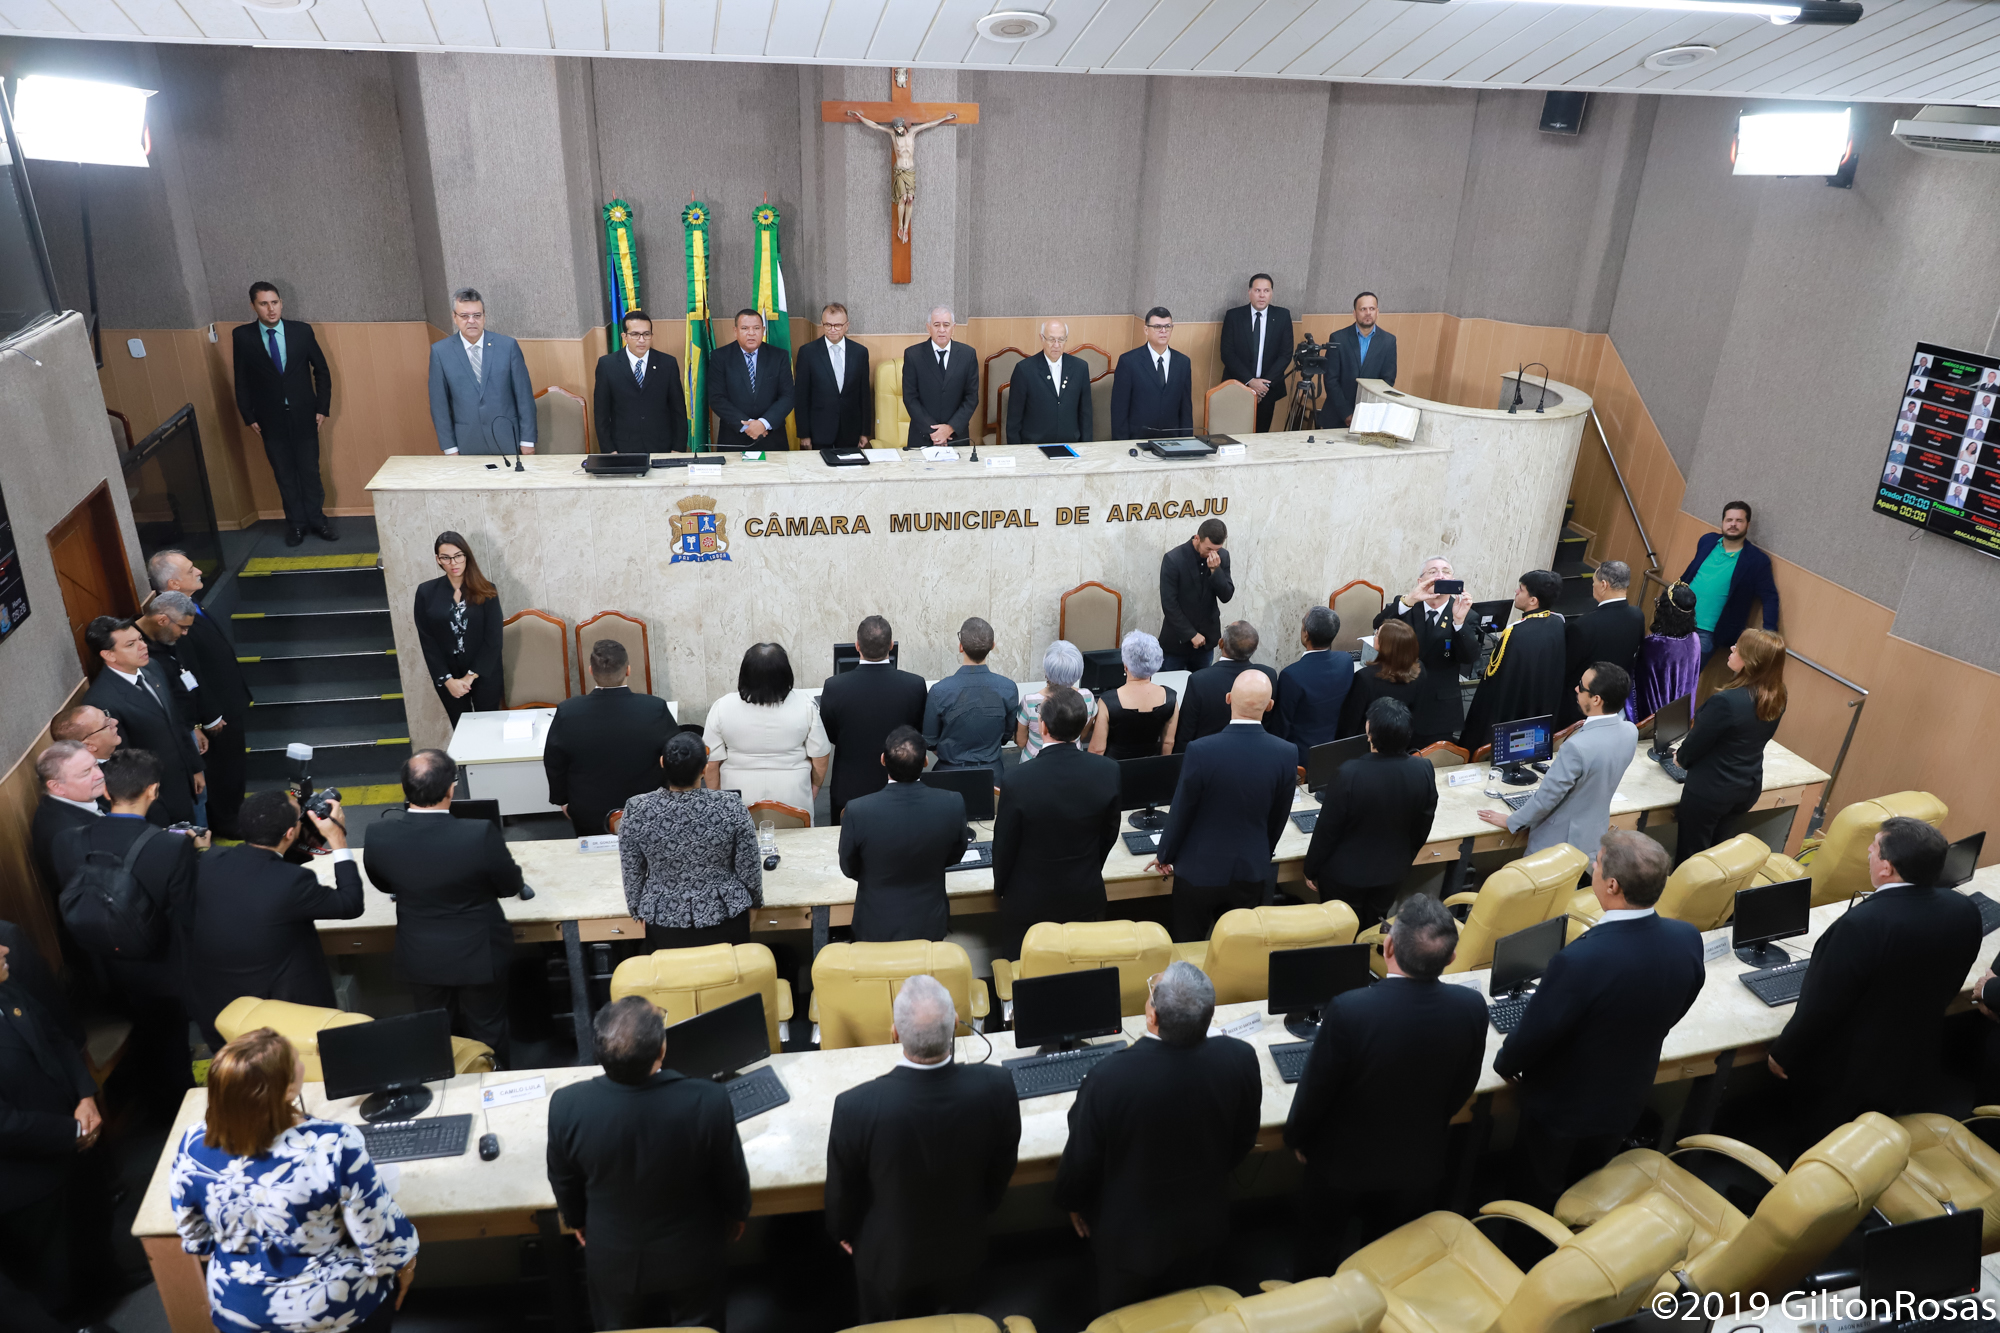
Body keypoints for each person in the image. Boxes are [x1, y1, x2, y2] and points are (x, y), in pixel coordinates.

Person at [1494, 830, 1704, 1209]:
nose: (1593, 865)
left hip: (1562, 1110)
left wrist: (1506, 1062)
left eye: (1598, 862)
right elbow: (1680, 1004)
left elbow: (1537, 1034)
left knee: (1536, 1197)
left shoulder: (1579, 960)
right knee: (1589, 1194)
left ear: (1611, 884)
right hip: (1625, 1099)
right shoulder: (1686, 938)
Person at [1284, 893, 1484, 1273]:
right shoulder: (1470, 1007)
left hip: (1340, 1167)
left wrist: (1297, 1138)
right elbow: (1463, 1086)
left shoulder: (1349, 1009)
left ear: (1387, 945)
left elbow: (1317, 1091)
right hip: (1417, 1162)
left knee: (1318, 1254)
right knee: (1388, 1262)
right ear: (1451, 958)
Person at [171, 1028, 419, 1333]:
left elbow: (195, 1237)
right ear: (288, 1091)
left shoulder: (193, 1143)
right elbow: (382, 1242)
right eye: (296, 1061)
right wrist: (406, 1267)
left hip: (240, 1314)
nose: (301, 1063)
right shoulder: (334, 1144)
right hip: (331, 1310)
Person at [1056, 962, 1260, 1311]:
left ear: (1152, 1018)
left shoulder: (1109, 1077)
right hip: (1203, 1228)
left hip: (1129, 1245)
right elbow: (1243, 1141)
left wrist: (1071, 1202)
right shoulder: (1241, 1058)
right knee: (1190, 1314)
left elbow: (1082, 1160)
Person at [547, 996, 749, 1332]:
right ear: (661, 1051)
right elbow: (730, 1174)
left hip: (612, 1256)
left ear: (599, 1054)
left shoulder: (567, 1106)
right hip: (693, 1254)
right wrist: (739, 1212)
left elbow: (563, 1180)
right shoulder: (708, 1099)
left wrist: (578, 1221)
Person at [1772, 819, 1979, 1146]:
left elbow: (1823, 1005)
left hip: (1844, 1070)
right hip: (1912, 1059)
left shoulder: (1862, 924)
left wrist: (1784, 1052)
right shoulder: (1964, 909)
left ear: (1886, 868)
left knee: (1818, 1147)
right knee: (1867, 1145)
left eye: (1874, 847)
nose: (1868, 851)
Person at [826, 974, 1021, 1323]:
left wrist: (843, 1233)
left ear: (895, 1033)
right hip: (965, 1250)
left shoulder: (854, 1107)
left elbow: (842, 1194)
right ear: (954, 1029)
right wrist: (982, 1207)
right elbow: (1002, 1167)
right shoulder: (998, 1086)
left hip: (888, 1264)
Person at [50, 748, 200, 1116]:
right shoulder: (172, 846)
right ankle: (176, 1115)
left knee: (142, 1046)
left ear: (106, 791)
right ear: (153, 790)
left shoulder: (67, 841)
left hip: (100, 967)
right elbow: (187, 915)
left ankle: (145, 1105)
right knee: (171, 1051)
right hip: (160, 969)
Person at [362, 750, 524, 1066]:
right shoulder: (477, 833)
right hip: (479, 951)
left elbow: (385, 885)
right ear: (451, 787)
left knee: (435, 1032)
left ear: (404, 787)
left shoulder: (378, 835)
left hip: (420, 953)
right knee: (487, 1029)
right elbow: (508, 886)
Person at [187, 788, 359, 1042]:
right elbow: (350, 904)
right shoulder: (293, 881)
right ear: (290, 833)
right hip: (283, 1021)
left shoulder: (207, 860)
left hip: (222, 1014)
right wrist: (337, 839)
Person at [0, 936, 103, 1333]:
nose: (6, 950)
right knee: (54, 1269)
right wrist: (72, 1130)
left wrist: (86, 1095)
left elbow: (57, 1040)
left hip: (73, 1134)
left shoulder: (8, 988)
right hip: (26, 1177)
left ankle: (104, 1291)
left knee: (90, 1229)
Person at [1151, 672, 1297, 943]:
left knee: (1187, 946)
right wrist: (1262, 850)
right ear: (1269, 706)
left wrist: (1165, 853)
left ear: (1228, 699)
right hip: (1250, 869)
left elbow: (1183, 809)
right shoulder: (1286, 753)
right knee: (1237, 948)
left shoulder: (1201, 750)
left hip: (1198, 869)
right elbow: (1278, 816)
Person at [992, 692, 1123, 949]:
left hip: (1029, 898)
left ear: (1042, 727)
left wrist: (1000, 889)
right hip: (1085, 893)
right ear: (1084, 727)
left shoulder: (1018, 779)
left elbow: (1005, 844)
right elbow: (1109, 833)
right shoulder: (1108, 771)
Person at [619, 732, 763, 950]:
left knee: (676, 981)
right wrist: (754, 903)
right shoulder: (730, 805)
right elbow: (749, 865)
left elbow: (632, 869)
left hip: (663, 917)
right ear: (704, 769)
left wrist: (637, 909)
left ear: (662, 763)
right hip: (727, 913)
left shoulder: (637, 808)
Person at [1478, 663, 1637, 856]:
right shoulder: (1630, 731)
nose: (1576, 689)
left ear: (1596, 699)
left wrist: (1511, 821)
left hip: (1557, 844)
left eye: (1581, 686)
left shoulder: (1576, 747)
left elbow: (1546, 799)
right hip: (1593, 836)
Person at [1304, 698, 1437, 927]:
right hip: (1392, 873)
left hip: (1344, 876)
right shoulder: (1423, 769)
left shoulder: (1349, 773)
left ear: (1370, 732)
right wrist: (1405, 858)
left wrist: (1310, 868)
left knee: (1341, 929)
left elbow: (1327, 830)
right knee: (1374, 927)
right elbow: (1423, 823)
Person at [148, 549, 253, 839]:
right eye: (190, 569)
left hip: (228, 700)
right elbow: (189, 673)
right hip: (216, 711)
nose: (199, 572)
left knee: (235, 764)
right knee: (225, 769)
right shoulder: (174, 621)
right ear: (173, 585)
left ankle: (235, 812)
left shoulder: (193, 605)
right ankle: (227, 821)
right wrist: (206, 718)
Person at [838, 727, 971, 943]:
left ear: (883, 760)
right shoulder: (952, 802)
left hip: (875, 924)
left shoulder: (858, 810)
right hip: (930, 922)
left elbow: (849, 867)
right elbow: (955, 854)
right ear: (925, 762)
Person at [1670, 628, 1787, 864]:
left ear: (1750, 661)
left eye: (1738, 648)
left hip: (1710, 792)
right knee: (1717, 856)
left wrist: (1679, 759)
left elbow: (1696, 743)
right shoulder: (1777, 694)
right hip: (1744, 788)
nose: (1732, 649)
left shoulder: (1726, 702)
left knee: (1692, 859)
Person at [232, 281, 335, 544]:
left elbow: (321, 371)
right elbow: (241, 379)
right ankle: (297, 525)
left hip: (304, 414)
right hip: (270, 418)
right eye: (264, 304)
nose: (271, 309)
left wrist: (322, 408)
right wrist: (249, 415)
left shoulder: (301, 332)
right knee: (284, 473)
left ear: (281, 302)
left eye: (274, 302)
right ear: (253, 306)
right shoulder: (242, 336)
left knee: (310, 472)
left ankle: (317, 521)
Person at [81, 616, 204, 827]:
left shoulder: (152, 667)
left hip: (182, 779)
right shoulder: (101, 700)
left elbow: (175, 720)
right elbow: (123, 763)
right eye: (131, 644)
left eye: (140, 639)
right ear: (108, 654)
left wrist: (194, 767)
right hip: (155, 798)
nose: (142, 646)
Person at [543, 638, 673, 836]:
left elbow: (554, 761)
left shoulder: (568, 711)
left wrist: (563, 800)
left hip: (588, 813)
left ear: (590, 671)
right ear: (628, 670)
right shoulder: (654, 708)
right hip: (648, 810)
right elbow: (674, 756)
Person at [820, 616, 928, 824]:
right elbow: (917, 731)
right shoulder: (914, 685)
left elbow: (830, 735)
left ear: (857, 646)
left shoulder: (834, 687)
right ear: (890, 645)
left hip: (849, 791)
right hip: (902, 788)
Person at [703, 643, 832, 813]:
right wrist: (813, 791)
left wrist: (720, 802)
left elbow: (710, 764)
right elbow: (820, 756)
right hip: (794, 798)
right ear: (786, 674)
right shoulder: (805, 704)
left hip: (738, 799)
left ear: (745, 674)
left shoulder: (722, 706)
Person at [1459, 570, 1568, 756]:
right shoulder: (1557, 623)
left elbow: (1494, 677)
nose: (1516, 591)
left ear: (1533, 600)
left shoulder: (1515, 632)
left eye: (1521, 589)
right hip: (1539, 710)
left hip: (1509, 715)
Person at [1372, 556, 1479, 746]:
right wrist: (1409, 600)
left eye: (1446, 572)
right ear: (1421, 581)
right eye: (1433, 572)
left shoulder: (1466, 614)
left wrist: (1459, 623)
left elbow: (1469, 657)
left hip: (1439, 706)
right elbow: (1378, 627)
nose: (1440, 576)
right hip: (1401, 697)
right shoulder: (1407, 605)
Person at [427, 286, 536, 456]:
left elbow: (524, 397)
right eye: (464, 316)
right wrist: (450, 448)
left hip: (508, 439)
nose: (471, 321)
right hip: (466, 442)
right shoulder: (440, 352)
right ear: (454, 317)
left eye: (477, 315)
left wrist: (527, 440)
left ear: (484, 316)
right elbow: (439, 405)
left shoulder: (507, 346)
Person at [413, 530, 504, 727]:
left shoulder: (487, 590)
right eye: (446, 558)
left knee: (488, 728)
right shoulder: (426, 593)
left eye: (458, 556)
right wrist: (448, 680)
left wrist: (470, 677)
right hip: (448, 676)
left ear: (466, 556)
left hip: (484, 672)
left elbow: (494, 639)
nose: (453, 563)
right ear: (438, 560)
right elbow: (427, 641)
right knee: (462, 729)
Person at [1680, 501, 1780, 664]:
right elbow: (1690, 574)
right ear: (1723, 522)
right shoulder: (1707, 541)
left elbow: (1769, 597)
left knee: (1682, 681)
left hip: (1707, 633)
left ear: (1748, 524)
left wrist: (1769, 634)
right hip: (1677, 620)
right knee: (1654, 670)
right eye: (1729, 520)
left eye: (1739, 521)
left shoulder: (1756, 560)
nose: (1733, 524)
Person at [922, 618, 1018, 786]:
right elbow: (1006, 736)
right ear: (992, 646)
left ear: (961, 647)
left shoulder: (939, 691)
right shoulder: (1008, 688)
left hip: (948, 775)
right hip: (992, 776)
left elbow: (930, 740)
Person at [1559, 561, 1644, 727]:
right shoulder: (1638, 616)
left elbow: (1566, 670)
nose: (1593, 586)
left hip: (1580, 707)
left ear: (1604, 585)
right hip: (1614, 703)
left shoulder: (1583, 626)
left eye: (1594, 582)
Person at [1175, 620, 1280, 752]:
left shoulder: (1199, 680)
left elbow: (1185, 734)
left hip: (1207, 758)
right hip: (1254, 754)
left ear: (1221, 643)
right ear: (1254, 648)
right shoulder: (1266, 676)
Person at [592, 308, 687, 453]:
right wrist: (609, 451)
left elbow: (678, 411)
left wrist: (678, 448)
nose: (641, 340)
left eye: (646, 334)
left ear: (651, 335)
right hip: (623, 448)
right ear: (624, 336)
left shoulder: (668, 363)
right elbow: (601, 415)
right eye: (635, 334)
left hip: (661, 447)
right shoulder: (607, 365)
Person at [1219, 273, 1295, 433]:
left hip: (1268, 389)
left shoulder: (1282, 316)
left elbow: (1286, 354)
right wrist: (1250, 381)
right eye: (1257, 290)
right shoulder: (1234, 316)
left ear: (1271, 293)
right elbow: (1227, 353)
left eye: (1266, 291)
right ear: (1249, 292)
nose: (1262, 295)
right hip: (1238, 385)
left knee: (1260, 435)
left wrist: (1263, 386)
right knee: (1234, 433)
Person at [711, 309, 795, 451]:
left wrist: (763, 423)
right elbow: (716, 398)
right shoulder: (720, 357)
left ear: (763, 330)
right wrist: (748, 425)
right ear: (735, 331)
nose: (751, 333)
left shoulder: (778, 356)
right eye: (745, 328)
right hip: (734, 438)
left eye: (756, 328)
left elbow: (788, 396)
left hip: (772, 437)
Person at [1089, 630, 1181, 759]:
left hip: (1115, 767)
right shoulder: (1170, 698)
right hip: (1150, 767)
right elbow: (1168, 742)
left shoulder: (1107, 701)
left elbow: (1097, 749)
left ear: (1126, 666)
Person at [1277, 606, 1351, 767]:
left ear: (1306, 634)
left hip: (1300, 757)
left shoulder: (1291, 675)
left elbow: (1282, 725)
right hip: (1335, 750)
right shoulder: (1346, 661)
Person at [1158, 518, 1234, 672]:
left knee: (1201, 689)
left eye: (1217, 550)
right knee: (1171, 688)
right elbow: (1169, 604)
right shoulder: (1174, 559)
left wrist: (1215, 571)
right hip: (1176, 642)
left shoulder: (1222, 557)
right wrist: (1190, 634)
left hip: (1206, 643)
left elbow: (1226, 596)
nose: (1212, 554)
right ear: (1197, 538)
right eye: (1208, 549)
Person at [31, 741, 103, 903]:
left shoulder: (77, 798)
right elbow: (91, 901)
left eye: (96, 766)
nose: (99, 775)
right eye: (85, 772)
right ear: (57, 787)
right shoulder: (67, 836)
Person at [795, 303, 871, 450]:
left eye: (837, 325)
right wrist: (804, 434)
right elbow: (801, 397)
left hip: (850, 430)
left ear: (846, 326)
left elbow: (864, 395)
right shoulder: (808, 353)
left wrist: (865, 432)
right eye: (828, 325)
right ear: (822, 324)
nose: (832, 330)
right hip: (819, 431)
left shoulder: (860, 352)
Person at [1337, 618, 1427, 742]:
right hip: (1401, 742)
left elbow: (1351, 721)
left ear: (1386, 645)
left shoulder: (1365, 677)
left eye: (1377, 634)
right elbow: (1417, 713)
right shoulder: (1420, 670)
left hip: (1368, 743)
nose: (1374, 637)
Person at [1111, 307, 1193, 441]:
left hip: (1171, 440)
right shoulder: (1129, 361)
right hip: (1137, 439)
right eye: (1157, 327)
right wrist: (1121, 443)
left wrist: (1187, 442)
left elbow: (1186, 409)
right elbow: (1119, 409)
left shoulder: (1183, 362)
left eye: (1167, 326)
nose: (1163, 331)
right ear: (1146, 330)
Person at [1005, 320, 1092, 445]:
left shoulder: (1080, 368)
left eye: (1061, 339)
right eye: (1051, 339)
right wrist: (1017, 452)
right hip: (1034, 446)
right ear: (1042, 339)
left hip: (1070, 445)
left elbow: (1086, 415)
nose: (1056, 345)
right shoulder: (1024, 370)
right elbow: (1014, 419)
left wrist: (1086, 449)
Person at [902, 306, 978, 449]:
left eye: (946, 325)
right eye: (936, 325)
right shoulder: (913, 355)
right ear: (928, 327)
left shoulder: (968, 355)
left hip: (956, 437)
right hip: (922, 437)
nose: (942, 330)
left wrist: (949, 428)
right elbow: (910, 398)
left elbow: (971, 398)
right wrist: (935, 432)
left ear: (953, 328)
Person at [1321, 292, 1398, 428]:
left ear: (1377, 312)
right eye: (1363, 309)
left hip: (1369, 418)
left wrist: (1366, 413)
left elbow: (1388, 381)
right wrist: (1346, 413)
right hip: (1337, 416)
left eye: (1372, 309)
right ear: (1354, 313)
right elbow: (1331, 380)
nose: (1368, 313)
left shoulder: (1388, 341)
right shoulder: (1338, 338)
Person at [1631, 582, 1702, 723]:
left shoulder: (1655, 644)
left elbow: (1638, 682)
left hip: (1655, 718)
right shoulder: (1694, 639)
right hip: (1681, 715)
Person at [1017, 640, 1098, 758]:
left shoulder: (1029, 701)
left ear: (1046, 670)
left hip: (1034, 762)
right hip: (1074, 761)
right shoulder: (1088, 698)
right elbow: (1083, 734)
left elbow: (1020, 741)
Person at [50, 703, 120, 763]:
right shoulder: (103, 776)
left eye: (107, 716)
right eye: (106, 724)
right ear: (89, 745)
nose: (115, 721)